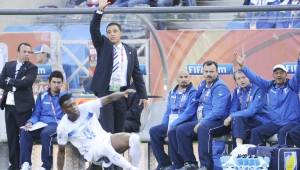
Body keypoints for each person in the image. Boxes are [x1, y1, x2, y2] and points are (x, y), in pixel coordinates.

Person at [90, 0, 148, 133]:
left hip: (122, 93)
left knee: (120, 130)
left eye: (115, 31)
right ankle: (106, 154)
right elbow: (94, 30)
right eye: (109, 32)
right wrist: (99, 11)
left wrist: (143, 95)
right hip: (106, 93)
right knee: (108, 129)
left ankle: (118, 155)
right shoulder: (103, 45)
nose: (112, 34)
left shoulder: (130, 51)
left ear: (120, 33)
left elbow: (137, 75)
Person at [56, 89, 141, 170]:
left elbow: (109, 98)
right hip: (90, 151)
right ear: (64, 110)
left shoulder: (86, 107)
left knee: (134, 138)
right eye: (69, 106)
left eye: (74, 104)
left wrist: (123, 93)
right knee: (105, 148)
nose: (74, 107)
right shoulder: (63, 127)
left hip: (105, 138)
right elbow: (61, 152)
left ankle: (132, 166)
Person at [176, 60, 231, 170]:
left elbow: (218, 112)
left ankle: (205, 165)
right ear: (203, 72)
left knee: (203, 129)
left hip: (220, 123)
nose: (208, 74)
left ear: (217, 72)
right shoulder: (203, 84)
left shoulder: (220, 87)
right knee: (181, 129)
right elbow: (197, 99)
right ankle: (191, 163)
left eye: (211, 71)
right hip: (204, 120)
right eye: (206, 71)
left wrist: (201, 122)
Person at [236, 53, 300, 146]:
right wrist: (243, 66)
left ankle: (282, 158)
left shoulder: (292, 85)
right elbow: (255, 78)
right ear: (273, 75)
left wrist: (299, 62)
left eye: (281, 73)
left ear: (286, 74)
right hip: (276, 123)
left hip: (291, 122)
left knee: (283, 133)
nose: (279, 75)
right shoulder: (269, 86)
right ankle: (258, 158)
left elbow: (298, 75)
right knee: (256, 132)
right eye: (276, 73)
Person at [0, 42, 38, 170]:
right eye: (25, 51)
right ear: (18, 52)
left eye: (29, 52)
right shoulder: (8, 65)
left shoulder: (32, 68)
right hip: (9, 106)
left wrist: (10, 80)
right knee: (11, 136)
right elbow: (1, 82)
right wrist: (16, 83)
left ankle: (25, 163)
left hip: (23, 107)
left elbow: (27, 82)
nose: (27, 54)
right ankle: (13, 164)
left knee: (24, 136)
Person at [149, 71, 196, 170]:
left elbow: (189, 112)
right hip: (171, 122)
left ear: (190, 77)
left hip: (185, 123)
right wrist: (164, 125)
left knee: (174, 130)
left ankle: (178, 164)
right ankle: (164, 163)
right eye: (181, 77)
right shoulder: (172, 92)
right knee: (154, 131)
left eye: (186, 77)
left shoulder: (193, 92)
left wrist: (173, 124)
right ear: (176, 78)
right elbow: (168, 111)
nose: (184, 79)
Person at [19, 71, 64, 170]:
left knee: (46, 133)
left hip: (56, 123)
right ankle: (26, 163)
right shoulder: (42, 95)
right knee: (24, 131)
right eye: (54, 82)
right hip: (41, 123)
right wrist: (30, 122)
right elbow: (36, 113)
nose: (56, 85)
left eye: (59, 82)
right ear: (49, 83)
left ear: (62, 84)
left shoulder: (65, 97)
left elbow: (69, 115)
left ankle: (46, 166)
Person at [223, 70, 269, 147]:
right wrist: (232, 116)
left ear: (249, 78)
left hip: (260, 120)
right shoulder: (237, 91)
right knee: (236, 120)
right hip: (244, 121)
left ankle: (238, 148)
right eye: (238, 78)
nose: (241, 80)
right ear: (236, 81)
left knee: (237, 118)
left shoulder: (259, 89)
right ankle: (238, 149)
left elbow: (251, 111)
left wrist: (231, 116)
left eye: (244, 77)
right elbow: (233, 109)